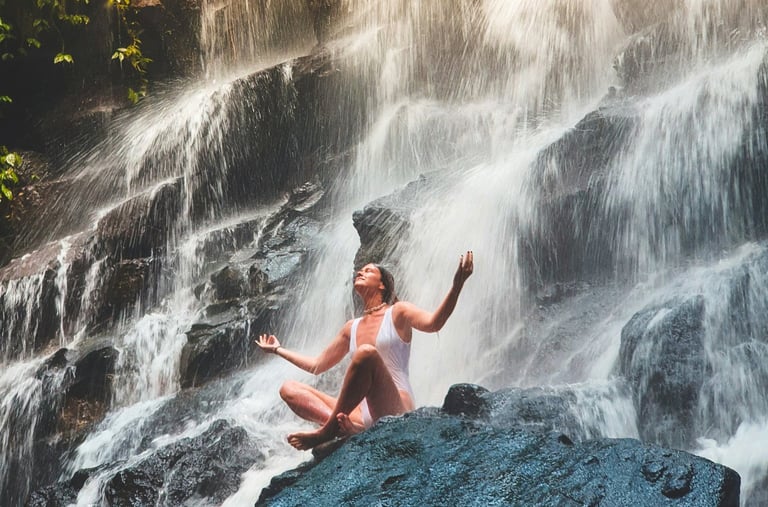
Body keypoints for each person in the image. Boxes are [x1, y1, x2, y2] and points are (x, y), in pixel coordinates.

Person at [256, 251, 474, 450]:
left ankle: (327, 431)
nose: (360, 271)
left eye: (368, 270)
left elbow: (434, 323)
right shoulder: (352, 327)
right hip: (361, 414)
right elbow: (316, 366)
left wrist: (457, 286)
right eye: (360, 270)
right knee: (289, 388)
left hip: (395, 406)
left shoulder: (398, 312)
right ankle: (346, 429)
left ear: (382, 285)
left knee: (366, 353)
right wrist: (278, 349)